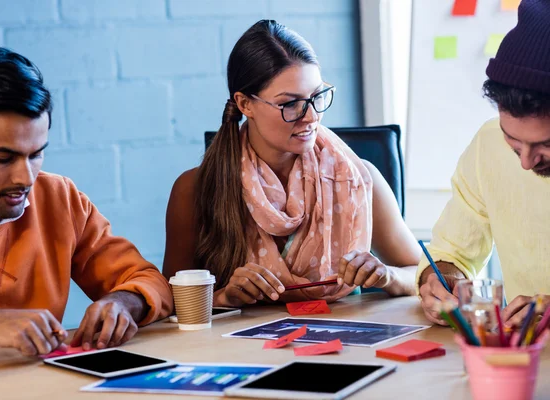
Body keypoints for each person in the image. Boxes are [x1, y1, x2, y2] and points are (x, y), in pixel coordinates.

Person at [163, 20, 421, 308]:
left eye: (317, 97)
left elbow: (422, 275)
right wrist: (222, 298)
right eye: (290, 104)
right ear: (245, 104)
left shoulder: (358, 178)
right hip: (241, 350)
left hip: (343, 344)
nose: (311, 117)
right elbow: (170, 299)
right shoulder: (195, 189)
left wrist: (388, 276)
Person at [0, 48, 173, 356]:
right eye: (3, 158)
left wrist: (122, 303)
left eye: (36, 154)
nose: (24, 177)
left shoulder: (59, 197)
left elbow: (150, 281)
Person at [418, 0, 550, 328]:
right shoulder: (489, 144)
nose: (525, 162)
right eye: (513, 141)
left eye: (546, 145)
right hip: (524, 360)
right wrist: (442, 281)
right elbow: (453, 252)